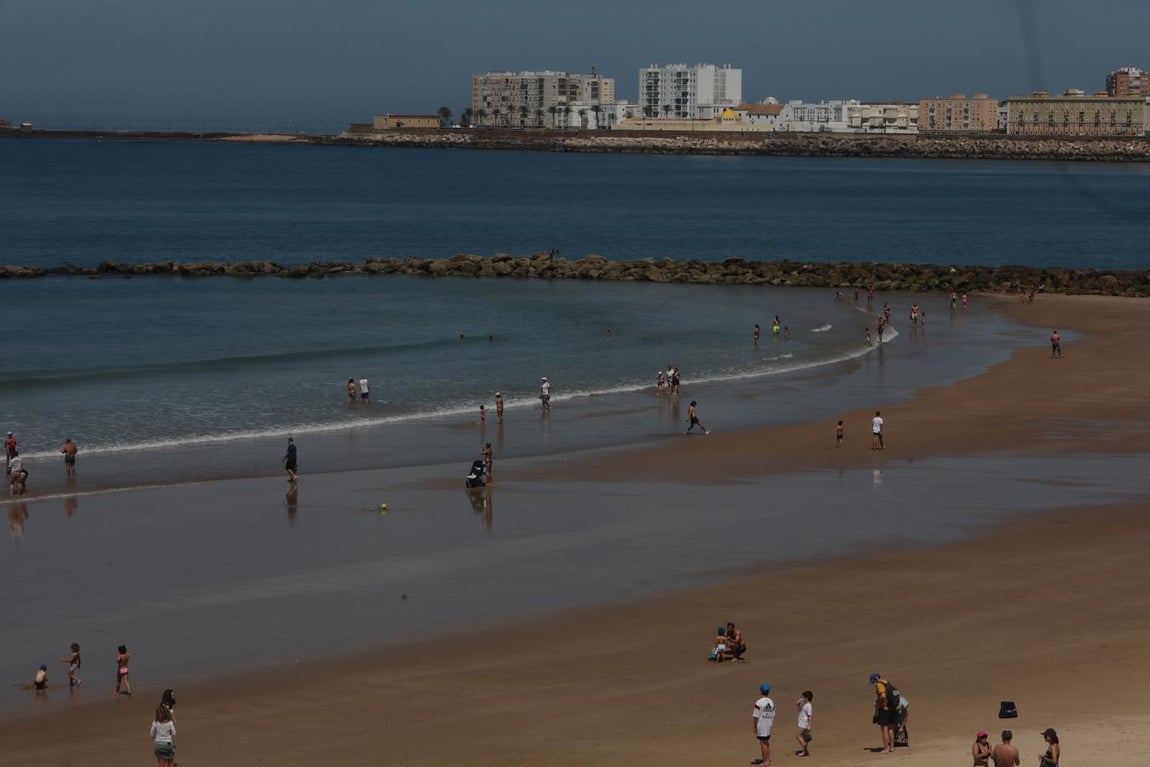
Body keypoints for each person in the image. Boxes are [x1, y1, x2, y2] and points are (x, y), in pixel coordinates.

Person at [869, 672, 895, 754]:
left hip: (884, 709)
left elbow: (883, 696)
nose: (873, 682)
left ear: (876, 679)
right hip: (891, 708)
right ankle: (892, 747)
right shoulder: (886, 681)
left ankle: (886, 749)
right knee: (890, 728)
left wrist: (877, 703)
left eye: (873, 680)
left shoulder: (879, 685)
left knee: (884, 729)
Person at [752, 683, 776, 765]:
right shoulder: (771, 702)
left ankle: (765, 761)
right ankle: (767, 759)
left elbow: (755, 716)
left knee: (763, 743)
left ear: (761, 691)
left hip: (761, 725)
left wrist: (755, 727)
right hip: (769, 724)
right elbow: (773, 714)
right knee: (766, 742)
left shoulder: (759, 702)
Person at [795, 690, 814, 757]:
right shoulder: (805, 705)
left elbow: (810, 716)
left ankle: (805, 750)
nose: (802, 698)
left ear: (806, 698)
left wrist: (809, 725)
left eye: (803, 697)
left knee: (798, 736)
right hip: (802, 722)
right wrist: (798, 704)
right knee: (804, 737)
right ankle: (804, 751)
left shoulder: (808, 706)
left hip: (804, 724)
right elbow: (800, 710)